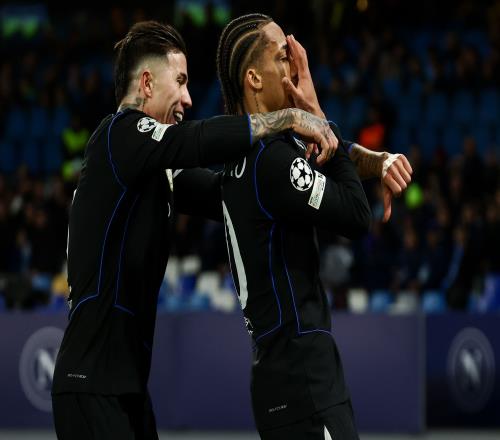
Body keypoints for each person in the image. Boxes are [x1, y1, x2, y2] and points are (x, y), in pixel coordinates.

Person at [51, 20, 339, 440]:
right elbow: (194, 140)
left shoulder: (153, 172)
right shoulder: (117, 134)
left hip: (125, 388)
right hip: (91, 383)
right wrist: (285, 118)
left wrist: (344, 161)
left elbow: (235, 193)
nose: (188, 98)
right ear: (146, 83)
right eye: (181, 82)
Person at [216, 13, 412, 439]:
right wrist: (316, 110)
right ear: (254, 78)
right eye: (281, 57)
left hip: (278, 374)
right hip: (304, 376)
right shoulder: (271, 160)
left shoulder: (246, 156)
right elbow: (357, 216)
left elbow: (324, 152)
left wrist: (379, 161)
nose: (294, 66)